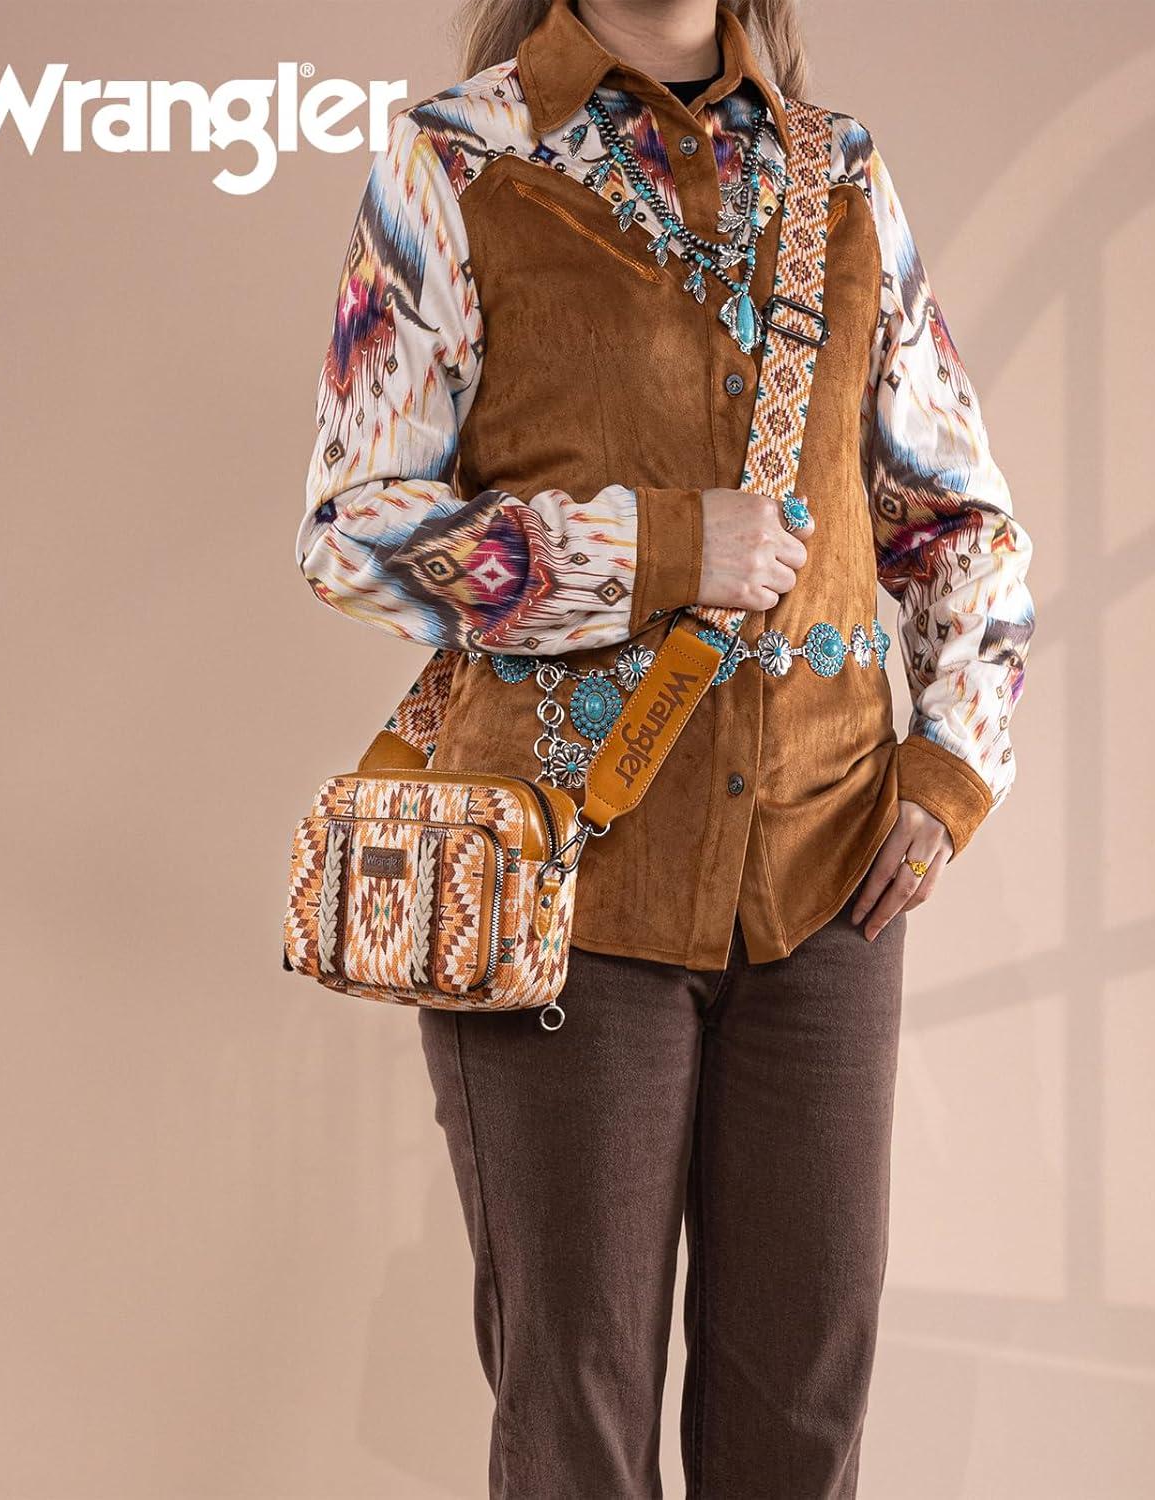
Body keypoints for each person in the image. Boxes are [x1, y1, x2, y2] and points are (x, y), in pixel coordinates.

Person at [294, 0, 1036, 1493]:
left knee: (803, 1410)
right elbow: (353, 528)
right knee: (577, 1406)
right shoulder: (461, 161)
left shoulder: (839, 174)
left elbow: (959, 516)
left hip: (824, 879)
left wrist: (953, 762)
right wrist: (655, 551)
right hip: (561, 880)